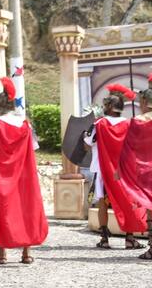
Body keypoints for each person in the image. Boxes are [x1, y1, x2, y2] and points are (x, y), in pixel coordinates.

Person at [0, 77, 48, 265]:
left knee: (3, 212)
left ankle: (3, 254)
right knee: (25, 210)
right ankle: (26, 254)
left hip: (1, 176)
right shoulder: (25, 124)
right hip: (24, 176)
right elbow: (33, 148)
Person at [84, 84, 145, 249]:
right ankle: (129, 238)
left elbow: (87, 144)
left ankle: (104, 239)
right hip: (124, 171)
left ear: (110, 107)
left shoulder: (99, 124)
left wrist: (94, 144)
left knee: (102, 203)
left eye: (105, 105)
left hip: (102, 170)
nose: (103, 108)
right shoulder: (129, 124)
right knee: (126, 200)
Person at [118, 77, 152, 260]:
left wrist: (120, 170)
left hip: (146, 172)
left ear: (145, 102)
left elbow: (128, 148)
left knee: (150, 209)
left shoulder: (138, 121)